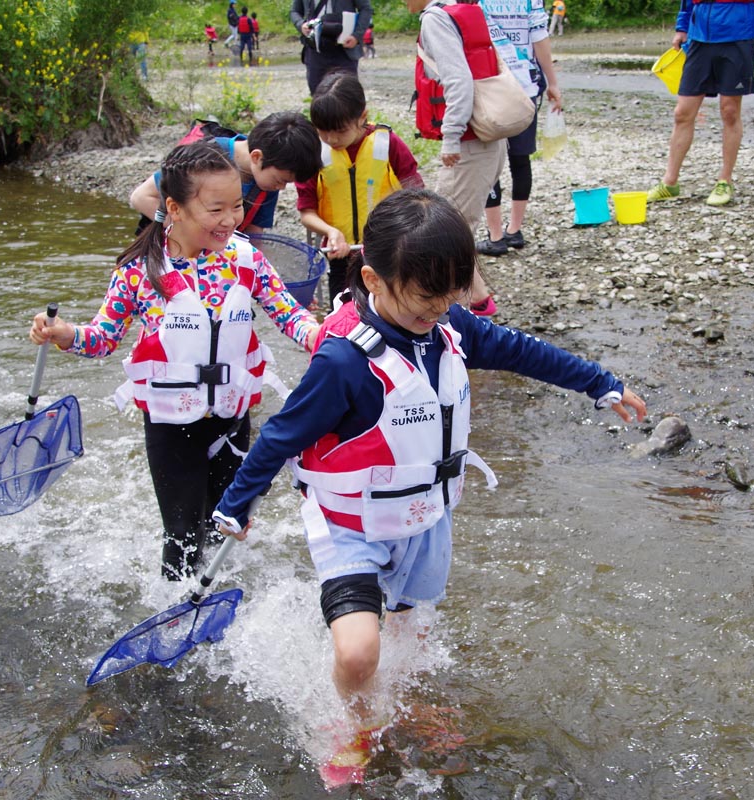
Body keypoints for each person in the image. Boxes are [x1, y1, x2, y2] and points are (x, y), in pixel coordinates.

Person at [211, 190, 647, 775]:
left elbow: (524, 352)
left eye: (451, 296)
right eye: (424, 298)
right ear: (373, 278)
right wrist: (237, 504)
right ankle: (355, 721)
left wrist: (600, 383)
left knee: (410, 636)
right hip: (353, 524)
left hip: (425, 518)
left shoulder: (450, 325)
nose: (440, 310)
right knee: (360, 652)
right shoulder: (343, 362)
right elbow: (279, 437)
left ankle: (405, 705)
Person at [30, 140, 320, 580]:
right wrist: (64, 334)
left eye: (237, 207)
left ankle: (224, 606)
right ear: (175, 207)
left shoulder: (248, 261)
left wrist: (324, 336)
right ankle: (174, 621)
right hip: (171, 424)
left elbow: (290, 315)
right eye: (216, 209)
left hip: (232, 418)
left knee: (224, 526)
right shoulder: (139, 270)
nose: (230, 221)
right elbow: (102, 339)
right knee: (183, 535)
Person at [408, 0, 508, 316]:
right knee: (458, 228)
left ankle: (468, 316)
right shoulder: (461, 10)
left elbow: (459, 80)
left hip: (468, 144)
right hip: (488, 137)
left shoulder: (436, 19)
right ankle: (478, 302)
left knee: (442, 231)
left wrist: (451, 137)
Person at [298, 72, 424, 307]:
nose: (331, 139)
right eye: (322, 131)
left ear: (362, 117)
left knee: (390, 308)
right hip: (341, 254)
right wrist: (331, 232)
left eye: (340, 130)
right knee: (344, 309)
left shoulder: (388, 144)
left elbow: (416, 194)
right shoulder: (316, 152)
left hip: (386, 251)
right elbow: (306, 212)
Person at [644, 0, 754, 207]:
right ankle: (670, 182)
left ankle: (724, 181)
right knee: (682, 112)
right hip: (699, 37)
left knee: (730, 111)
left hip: (738, 37)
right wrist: (682, 27)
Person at [129, 111, 322, 235]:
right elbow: (140, 197)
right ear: (257, 157)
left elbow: (254, 237)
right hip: (169, 251)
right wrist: (190, 234)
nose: (281, 187)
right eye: (280, 180)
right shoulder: (204, 155)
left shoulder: (267, 181)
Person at [475, 0, 564, 263]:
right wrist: (553, 83)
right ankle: (514, 230)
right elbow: (540, 38)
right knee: (520, 159)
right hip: (526, 86)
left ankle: (495, 236)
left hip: (490, 86)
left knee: (491, 160)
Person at [291, 0, 373, 95]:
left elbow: (366, 9)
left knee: (348, 95)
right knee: (317, 96)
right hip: (315, 49)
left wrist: (356, 35)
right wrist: (301, 24)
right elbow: (295, 11)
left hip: (344, 48)